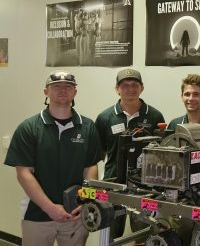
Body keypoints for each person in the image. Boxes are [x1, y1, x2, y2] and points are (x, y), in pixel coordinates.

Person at [4, 71, 102, 246]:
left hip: (76, 215)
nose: (63, 90)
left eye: (68, 87)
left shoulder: (88, 127)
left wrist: (87, 200)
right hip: (37, 215)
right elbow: (24, 174)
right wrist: (50, 208)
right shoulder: (29, 128)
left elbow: (91, 167)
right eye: (56, 86)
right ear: (46, 92)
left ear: (75, 92)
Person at [95, 68, 165, 238]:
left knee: (143, 233)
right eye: (124, 85)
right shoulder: (105, 117)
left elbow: (161, 154)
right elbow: (99, 153)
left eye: (134, 85)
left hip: (145, 186)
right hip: (113, 184)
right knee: (109, 234)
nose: (130, 89)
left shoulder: (155, 116)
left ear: (142, 87)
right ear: (117, 89)